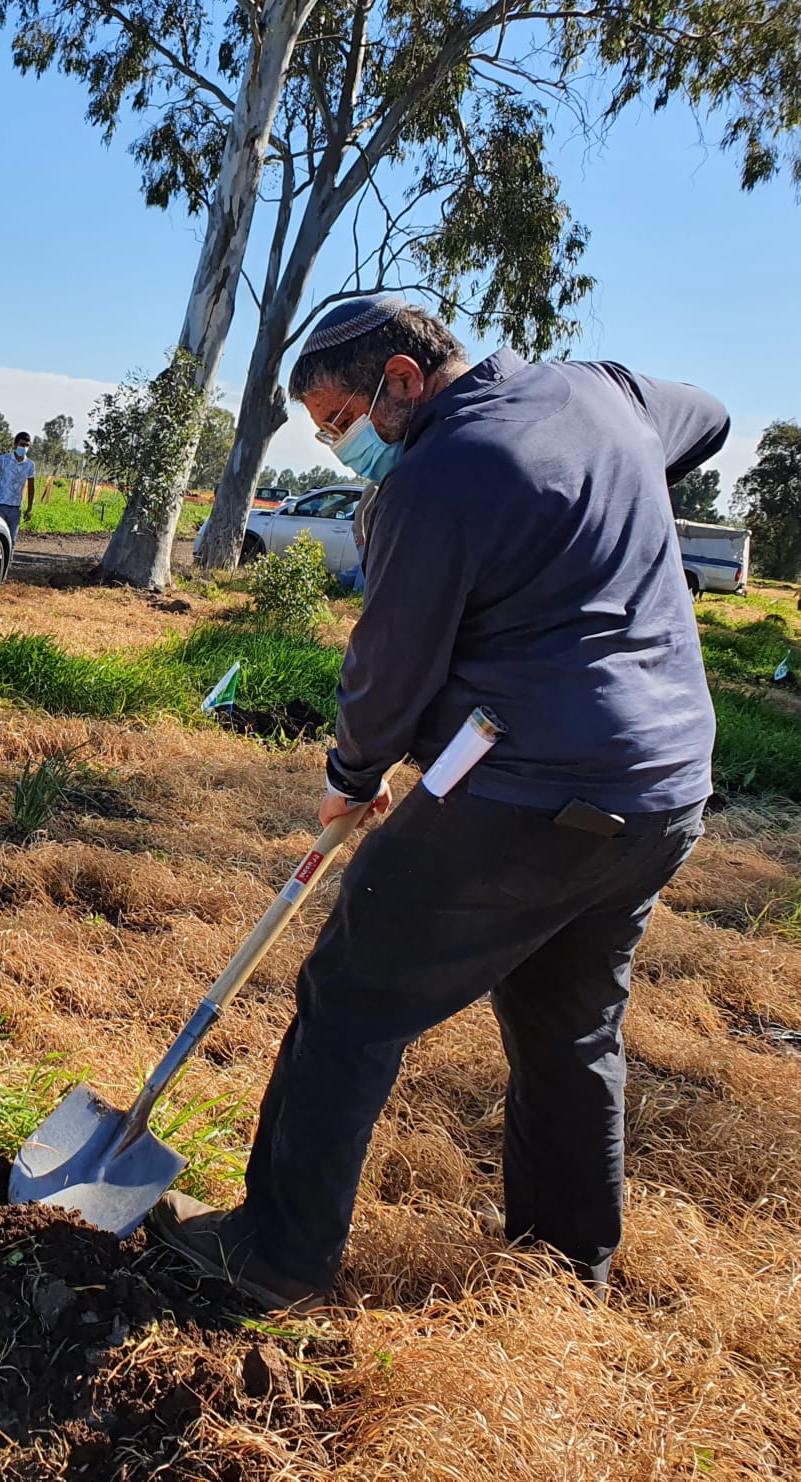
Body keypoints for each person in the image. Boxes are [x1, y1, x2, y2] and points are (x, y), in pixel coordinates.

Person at [148, 295, 727, 1310]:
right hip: (663, 792)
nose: (339, 450)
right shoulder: (604, 392)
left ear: (401, 383)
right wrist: (600, 486)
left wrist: (350, 778)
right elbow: (710, 416)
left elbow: (387, 668)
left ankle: (275, 1258)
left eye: (338, 424)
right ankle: (565, 1266)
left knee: (347, 1000)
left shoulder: (432, 479)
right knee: (568, 1027)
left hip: (525, 790)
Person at [0, 431, 35, 547]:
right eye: (22, 444)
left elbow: (31, 487)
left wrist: (29, 508)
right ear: (15, 445)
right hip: (0, 505)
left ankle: (7, 564)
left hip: (16, 508)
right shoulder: (4, 459)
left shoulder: (30, 465)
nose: (24, 448)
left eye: (27, 446)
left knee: (11, 540)